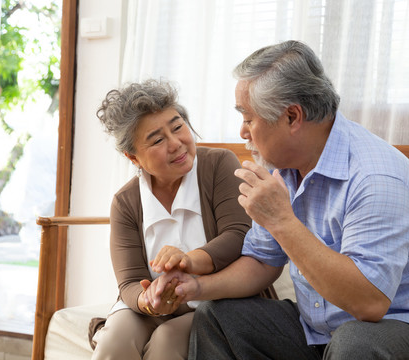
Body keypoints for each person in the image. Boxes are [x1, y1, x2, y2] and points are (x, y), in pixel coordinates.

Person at [150, 40, 409, 359]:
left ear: (292, 117)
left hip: (404, 330)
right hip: (320, 332)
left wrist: (281, 220)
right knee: (218, 317)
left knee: (355, 343)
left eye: (248, 118)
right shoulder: (284, 170)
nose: (243, 132)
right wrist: (196, 287)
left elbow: (369, 303)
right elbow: (262, 260)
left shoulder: (376, 177)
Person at [91, 79, 275, 360]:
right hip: (156, 307)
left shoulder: (218, 165)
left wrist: (188, 261)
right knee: (114, 340)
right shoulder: (125, 202)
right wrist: (149, 300)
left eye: (177, 127)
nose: (176, 143)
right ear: (133, 157)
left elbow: (239, 234)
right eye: (157, 139)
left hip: (216, 302)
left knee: (167, 340)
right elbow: (129, 283)